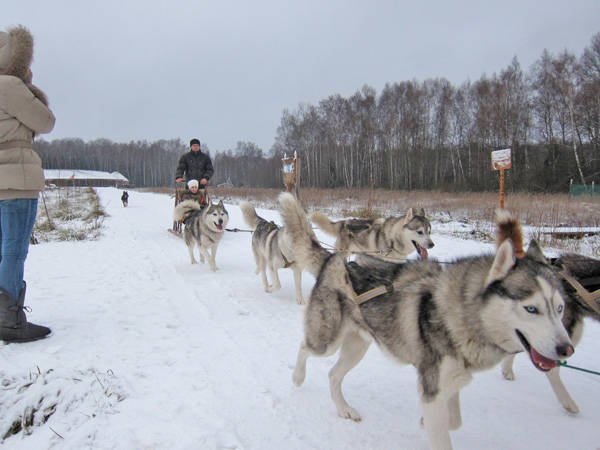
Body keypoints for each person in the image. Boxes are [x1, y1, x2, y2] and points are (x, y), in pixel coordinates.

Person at [0, 25, 56, 343]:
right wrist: (28, 86)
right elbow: (45, 121)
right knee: (13, 252)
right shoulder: (9, 86)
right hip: (15, 181)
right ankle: (9, 320)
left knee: (2, 251)